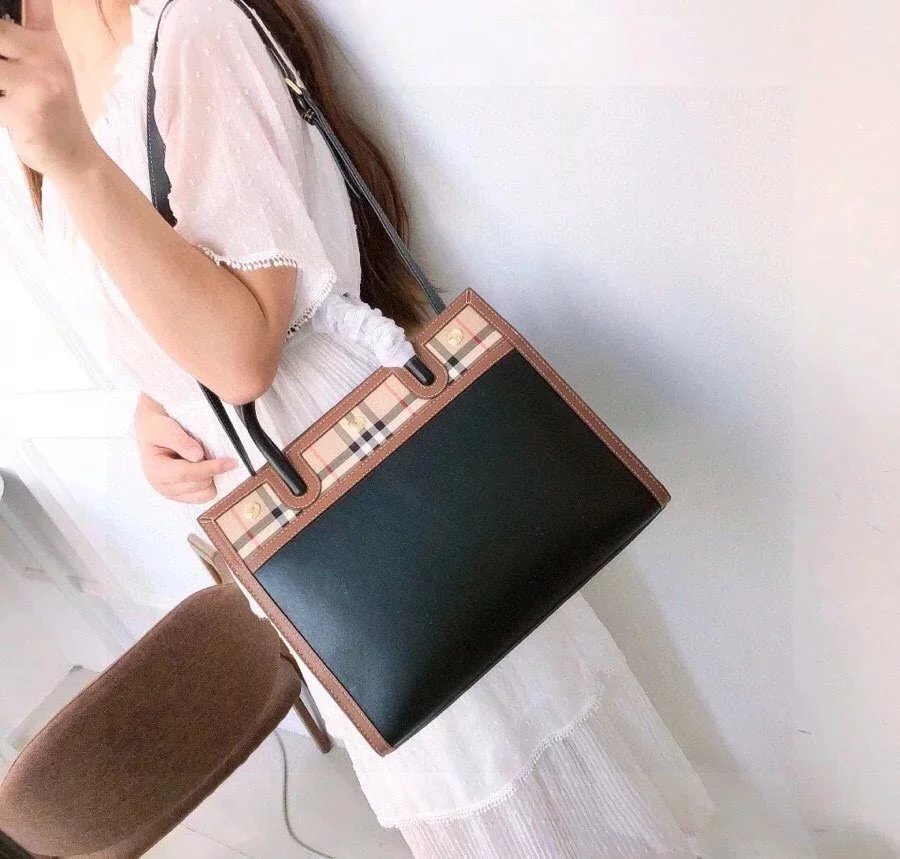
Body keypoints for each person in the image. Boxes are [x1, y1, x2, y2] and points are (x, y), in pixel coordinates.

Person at [0, 0, 713, 854]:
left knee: (498, 765)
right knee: (440, 765)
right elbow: (167, 313)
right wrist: (159, 404)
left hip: (360, 474)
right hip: (286, 506)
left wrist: (75, 161)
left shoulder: (191, 30)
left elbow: (241, 352)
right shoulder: (42, 72)